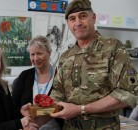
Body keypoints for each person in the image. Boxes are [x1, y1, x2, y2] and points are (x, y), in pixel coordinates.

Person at [49, 0, 138, 129]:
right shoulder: (65, 57)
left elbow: (129, 92)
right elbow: (57, 93)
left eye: (83, 16)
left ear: (94, 18)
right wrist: (36, 112)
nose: (78, 23)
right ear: (68, 23)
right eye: (72, 19)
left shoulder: (113, 48)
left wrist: (81, 109)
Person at [12, 35, 63, 130]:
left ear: (49, 53)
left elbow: (64, 105)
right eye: (32, 54)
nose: (35, 58)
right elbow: (14, 106)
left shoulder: (60, 75)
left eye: (39, 53)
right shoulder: (24, 76)